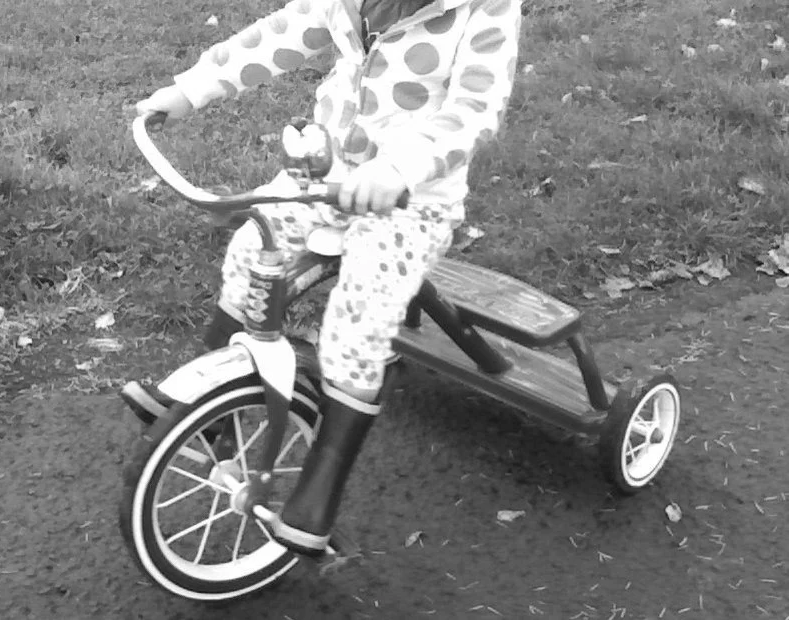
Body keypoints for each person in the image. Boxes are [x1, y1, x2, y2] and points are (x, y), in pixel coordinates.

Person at [122, 0, 522, 555]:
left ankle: (320, 488)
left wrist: (399, 168)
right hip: (324, 178)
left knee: (356, 328)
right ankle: (206, 408)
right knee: (250, 250)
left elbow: (476, 107)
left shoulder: (485, 10)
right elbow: (277, 36)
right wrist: (191, 89)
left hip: (410, 200)